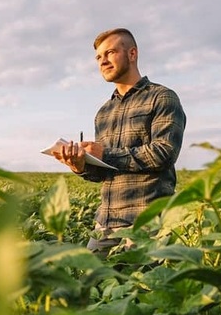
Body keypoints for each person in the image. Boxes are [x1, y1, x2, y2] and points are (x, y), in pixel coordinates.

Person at [53, 28, 186, 255]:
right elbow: (106, 173)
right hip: (106, 223)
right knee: (90, 284)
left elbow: (163, 153)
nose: (102, 61)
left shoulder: (162, 97)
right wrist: (81, 166)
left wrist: (105, 153)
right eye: (98, 57)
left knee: (143, 287)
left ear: (132, 54)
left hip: (148, 221)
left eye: (110, 52)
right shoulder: (103, 112)